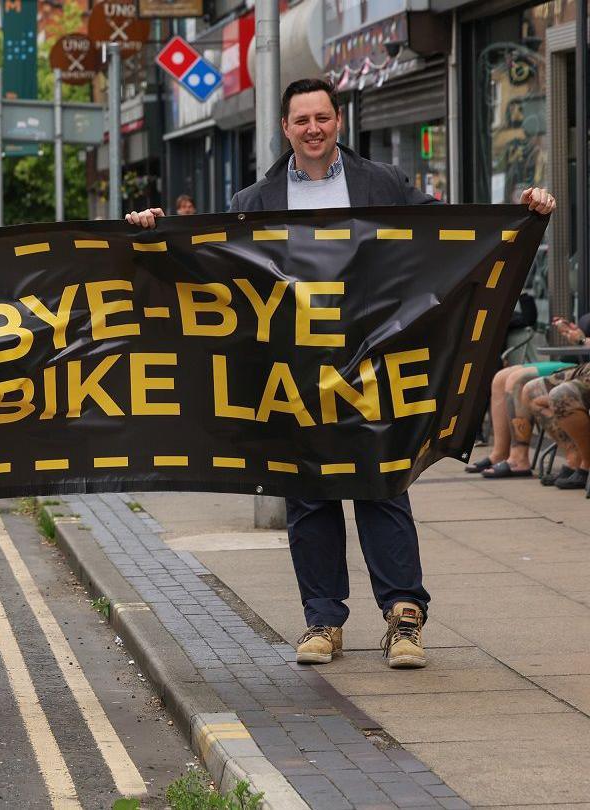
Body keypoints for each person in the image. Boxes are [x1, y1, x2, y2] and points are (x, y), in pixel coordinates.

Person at [126, 77, 556, 670]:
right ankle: (323, 621)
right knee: (309, 496)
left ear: (338, 121)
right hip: (294, 375)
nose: (314, 129)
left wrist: (520, 215)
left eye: (322, 118)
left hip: (374, 365)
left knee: (383, 486)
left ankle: (404, 619)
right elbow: (210, 263)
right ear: (285, 128)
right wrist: (156, 235)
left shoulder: (382, 183)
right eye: (301, 120)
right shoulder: (255, 200)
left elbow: (452, 232)